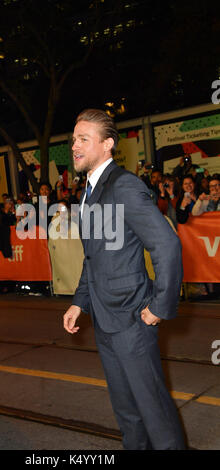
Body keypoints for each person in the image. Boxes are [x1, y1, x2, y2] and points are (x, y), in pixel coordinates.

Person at [63, 108, 185, 450]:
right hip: (104, 320)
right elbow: (94, 258)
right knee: (128, 414)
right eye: (74, 139)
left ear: (107, 145)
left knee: (154, 415)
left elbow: (167, 244)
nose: (74, 145)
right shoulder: (88, 192)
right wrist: (79, 301)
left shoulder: (124, 185)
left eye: (83, 139)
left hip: (133, 321)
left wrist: (158, 306)